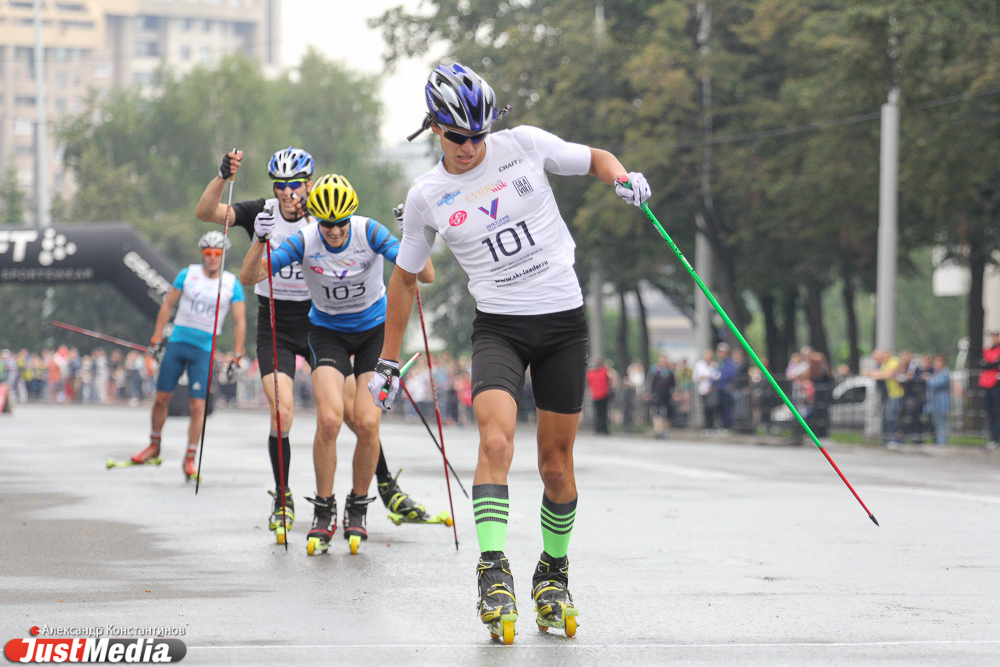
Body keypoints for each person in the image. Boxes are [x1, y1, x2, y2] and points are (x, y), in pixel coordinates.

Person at [366, 62, 651, 642]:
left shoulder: (522, 146)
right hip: (499, 326)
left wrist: (622, 177)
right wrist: (388, 359)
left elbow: (594, 157)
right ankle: (493, 570)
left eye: (478, 135)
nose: (470, 147)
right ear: (435, 130)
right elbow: (404, 279)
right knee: (495, 441)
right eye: (457, 136)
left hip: (563, 323)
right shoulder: (426, 196)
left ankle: (553, 572)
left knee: (555, 466)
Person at [196, 147, 433, 544]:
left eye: (296, 186)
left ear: (310, 186)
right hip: (297, 326)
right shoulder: (277, 221)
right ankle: (302, 503)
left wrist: (413, 236)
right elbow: (229, 246)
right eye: (281, 186)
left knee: (364, 419)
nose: (289, 193)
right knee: (302, 416)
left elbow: (420, 273)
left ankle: (376, 494)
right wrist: (255, 229)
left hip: (343, 322)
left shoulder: (345, 221)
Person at [129, 231, 246, 481]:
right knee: (161, 399)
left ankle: (190, 458)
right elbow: (168, 305)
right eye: (208, 254)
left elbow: (240, 321)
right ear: (202, 254)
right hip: (178, 343)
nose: (213, 258)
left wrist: (237, 354)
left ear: (223, 256)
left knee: (197, 406)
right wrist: (156, 338)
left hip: (204, 350)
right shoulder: (188, 274)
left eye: (217, 254)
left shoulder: (231, 283)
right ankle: (154, 445)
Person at [979, 330, 1000, 450]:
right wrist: (993, 363)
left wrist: (991, 363)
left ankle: (996, 438)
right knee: (990, 413)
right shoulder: (987, 350)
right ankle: (993, 438)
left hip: (996, 383)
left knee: (997, 413)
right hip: (987, 383)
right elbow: (984, 364)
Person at [647, 354, 675, 439]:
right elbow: (650, 381)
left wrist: (674, 392)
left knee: (667, 413)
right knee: (656, 412)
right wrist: (648, 392)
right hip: (657, 393)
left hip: (666, 394)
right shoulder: (654, 370)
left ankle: (665, 431)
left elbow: (673, 383)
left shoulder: (669, 371)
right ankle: (657, 430)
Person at [925, 355, 951, 445]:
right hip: (934, 403)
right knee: (935, 423)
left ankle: (942, 442)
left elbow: (935, 383)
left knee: (942, 423)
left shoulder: (945, 373)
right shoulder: (935, 373)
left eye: (939, 362)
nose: (936, 364)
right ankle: (938, 441)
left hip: (942, 403)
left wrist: (929, 379)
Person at [586, 358, 614, 434]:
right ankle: (604, 429)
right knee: (604, 413)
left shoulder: (590, 373)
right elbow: (611, 378)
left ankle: (597, 429)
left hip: (595, 395)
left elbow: (588, 383)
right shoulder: (605, 371)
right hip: (604, 395)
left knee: (597, 413)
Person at [692, 348, 718, 429]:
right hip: (703, 389)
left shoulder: (714, 364)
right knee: (706, 408)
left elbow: (717, 375)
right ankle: (707, 426)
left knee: (713, 407)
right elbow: (694, 377)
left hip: (712, 389)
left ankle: (713, 426)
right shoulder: (699, 364)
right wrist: (702, 377)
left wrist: (709, 377)